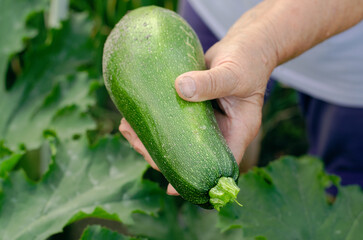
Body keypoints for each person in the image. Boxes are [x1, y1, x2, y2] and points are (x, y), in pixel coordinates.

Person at [119, 0, 363, 195]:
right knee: (225, 131)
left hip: (349, 62)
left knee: (344, 185)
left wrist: (261, 45)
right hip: (212, 11)